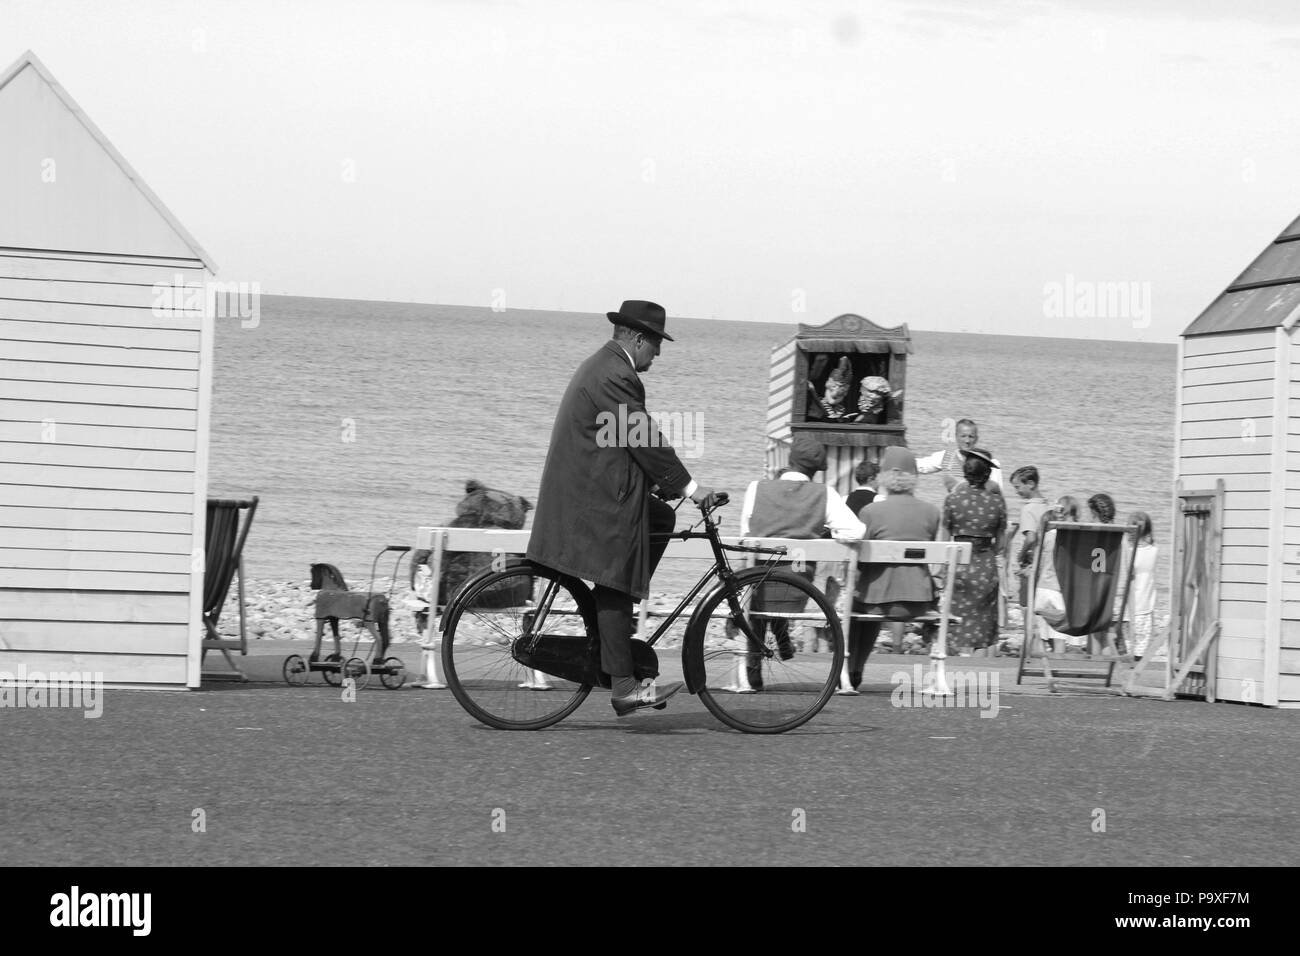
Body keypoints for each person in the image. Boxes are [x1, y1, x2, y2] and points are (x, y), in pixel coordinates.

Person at [526, 300, 717, 717]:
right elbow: (641, 435)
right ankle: (625, 685)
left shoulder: (606, 366)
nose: (659, 354)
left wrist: (656, 484)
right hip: (590, 500)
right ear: (637, 337)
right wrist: (691, 487)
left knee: (660, 519)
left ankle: (617, 615)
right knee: (618, 581)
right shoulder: (616, 374)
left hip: (593, 489)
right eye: (656, 344)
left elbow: (619, 438)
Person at [739, 434, 865, 690]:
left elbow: (745, 535)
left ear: (790, 460)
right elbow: (857, 531)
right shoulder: (825, 494)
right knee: (782, 579)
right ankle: (781, 638)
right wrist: (827, 532)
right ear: (816, 470)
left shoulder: (756, 488)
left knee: (761, 578)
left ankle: (753, 665)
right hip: (798, 589)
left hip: (757, 585)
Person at [850, 446, 941, 691]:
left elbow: (858, 560)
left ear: (883, 477)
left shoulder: (870, 512)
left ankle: (853, 668)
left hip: (877, 602)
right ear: (914, 477)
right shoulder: (932, 512)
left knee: (859, 602)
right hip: (918, 601)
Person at [941, 449, 1007, 656]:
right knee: (982, 622)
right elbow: (1002, 542)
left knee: (956, 618)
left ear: (965, 473)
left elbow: (944, 539)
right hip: (984, 565)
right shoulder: (996, 502)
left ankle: (953, 664)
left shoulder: (953, 499)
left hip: (958, 564)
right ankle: (977, 667)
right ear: (987, 475)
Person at [1034, 496, 1080, 653]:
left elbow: (1037, 565)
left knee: (1041, 636)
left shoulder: (1047, 536)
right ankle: (1057, 671)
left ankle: (1041, 670)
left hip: (1042, 589)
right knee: (1059, 637)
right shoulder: (1073, 538)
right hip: (1059, 592)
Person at [916, 418, 1003, 494]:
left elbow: (997, 494)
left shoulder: (989, 462)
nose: (967, 441)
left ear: (976, 439)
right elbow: (920, 466)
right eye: (963, 436)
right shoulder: (946, 457)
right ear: (955, 437)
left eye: (971, 436)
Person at [1007, 466, 1049, 609]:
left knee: (1026, 605)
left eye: (1018, 487)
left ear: (1030, 484)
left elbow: (1030, 538)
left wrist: (1020, 555)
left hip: (1030, 563)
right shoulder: (1046, 505)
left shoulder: (1028, 509)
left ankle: (1028, 630)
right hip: (1045, 561)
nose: (1016, 491)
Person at [1126, 512, 1159, 660]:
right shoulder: (1154, 550)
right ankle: (1137, 671)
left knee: (1129, 644)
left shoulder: (1130, 552)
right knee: (1141, 647)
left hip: (1132, 606)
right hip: (1148, 605)